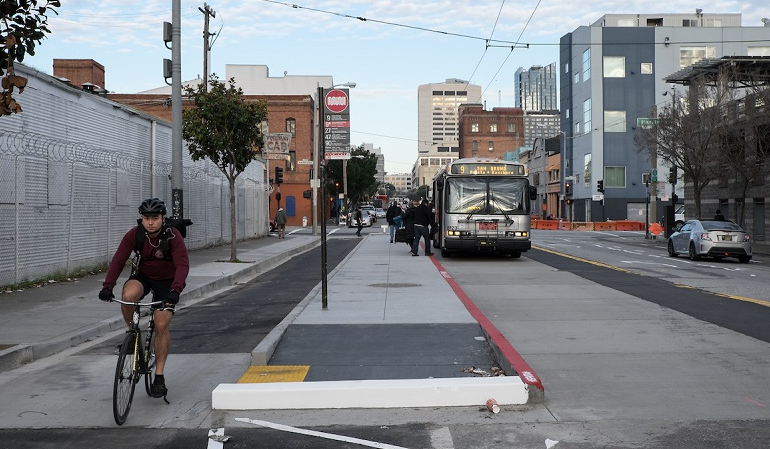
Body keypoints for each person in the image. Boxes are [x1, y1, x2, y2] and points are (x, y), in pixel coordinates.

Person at [98, 198, 189, 399]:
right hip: (143, 277)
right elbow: (119, 260)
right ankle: (132, 332)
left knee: (161, 323)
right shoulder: (135, 234)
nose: (150, 222)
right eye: (146, 218)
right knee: (128, 295)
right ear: (142, 218)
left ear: (163, 218)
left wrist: (176, 290)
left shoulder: (173, 236)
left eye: (155, 218)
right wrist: (107, 286)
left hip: (167, 282)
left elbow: (182, 265)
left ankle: (159, 377)